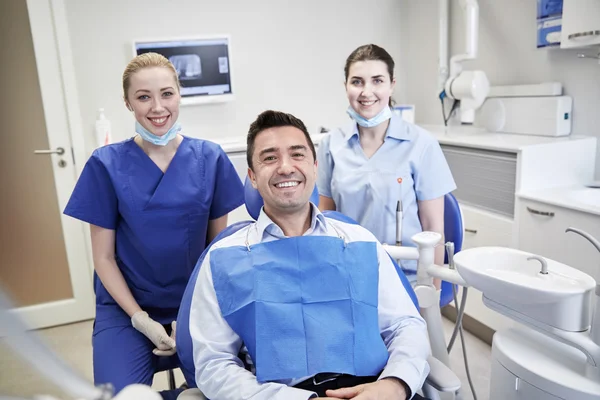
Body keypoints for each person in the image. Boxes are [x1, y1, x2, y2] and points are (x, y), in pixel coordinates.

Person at [184, 110, 431, 400]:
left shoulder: (359, 241)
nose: (286, 167)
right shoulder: (224, 258)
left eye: (297, 154)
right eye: (269, 157)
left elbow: (404, 325)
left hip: (374, 387)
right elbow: (214, 365)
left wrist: (395, 384)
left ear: (315, 167)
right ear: (252, 176)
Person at [63, 52, 245, 400]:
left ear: (179, 94)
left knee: (222, 390)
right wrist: (139, 318)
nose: (157, 107)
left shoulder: (210, 158)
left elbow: (215, 251)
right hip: (126, 307)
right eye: (143, 97)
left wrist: (195, 310)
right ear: (128, 102)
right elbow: (103, 259)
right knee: (120, 396)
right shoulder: (106, 165)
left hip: (194, 303)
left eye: (166, 94)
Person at [316, 44, 456, 285]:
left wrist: (431, 292)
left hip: (407, 276)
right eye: (357, 82)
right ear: (346, 86)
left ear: (392, 84)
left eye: (377, 81)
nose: (366, 91)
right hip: (348, 272)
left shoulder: (421, 144)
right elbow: (327, 218)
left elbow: (434, 228)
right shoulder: (331, 144)